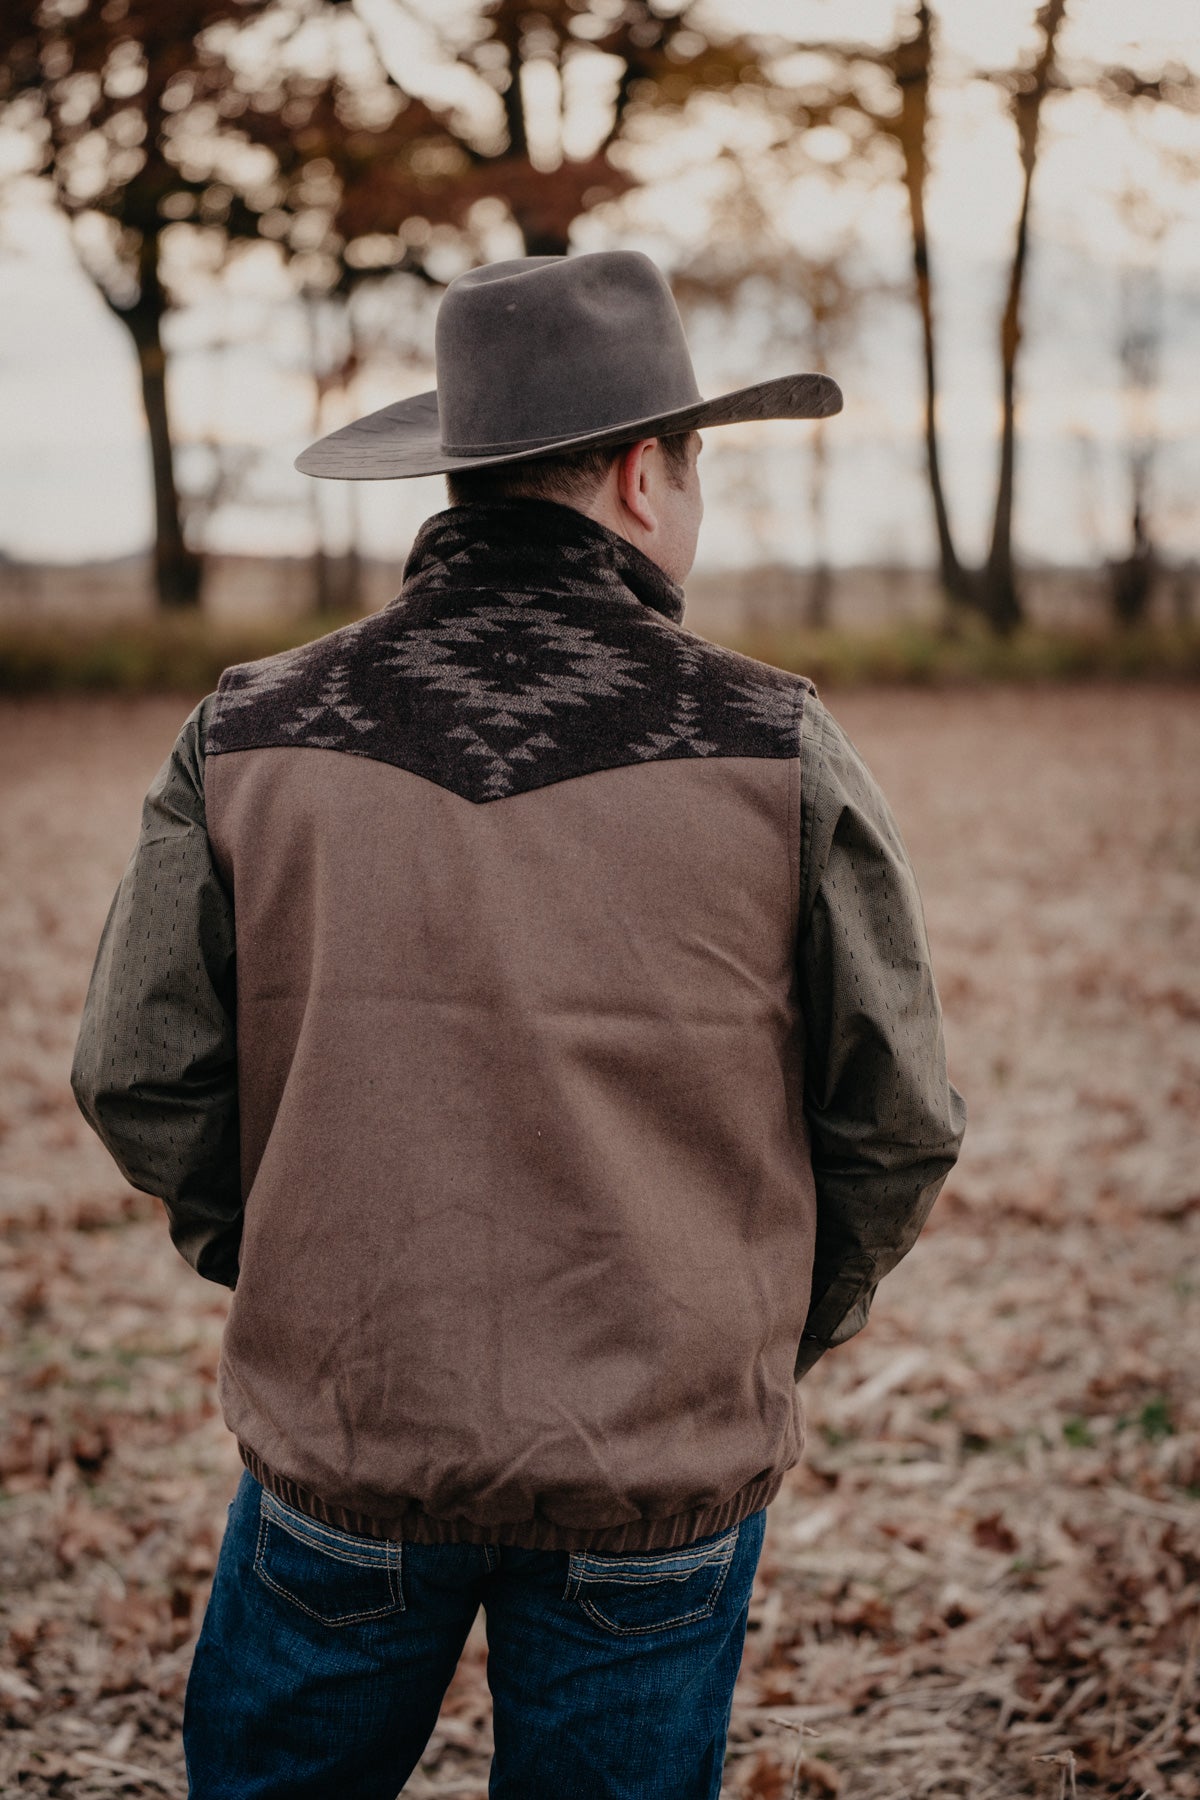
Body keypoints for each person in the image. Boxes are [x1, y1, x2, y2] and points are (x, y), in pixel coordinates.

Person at [72, 250, 965, 1800]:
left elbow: (139, 1072)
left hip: (347, 1429)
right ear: (639, 478)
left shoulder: (246, 729)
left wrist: (284, 1256)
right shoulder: (779, 744)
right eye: (696, 472)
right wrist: (751, 1322)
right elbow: (895, 1116)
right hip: (660, 1461)